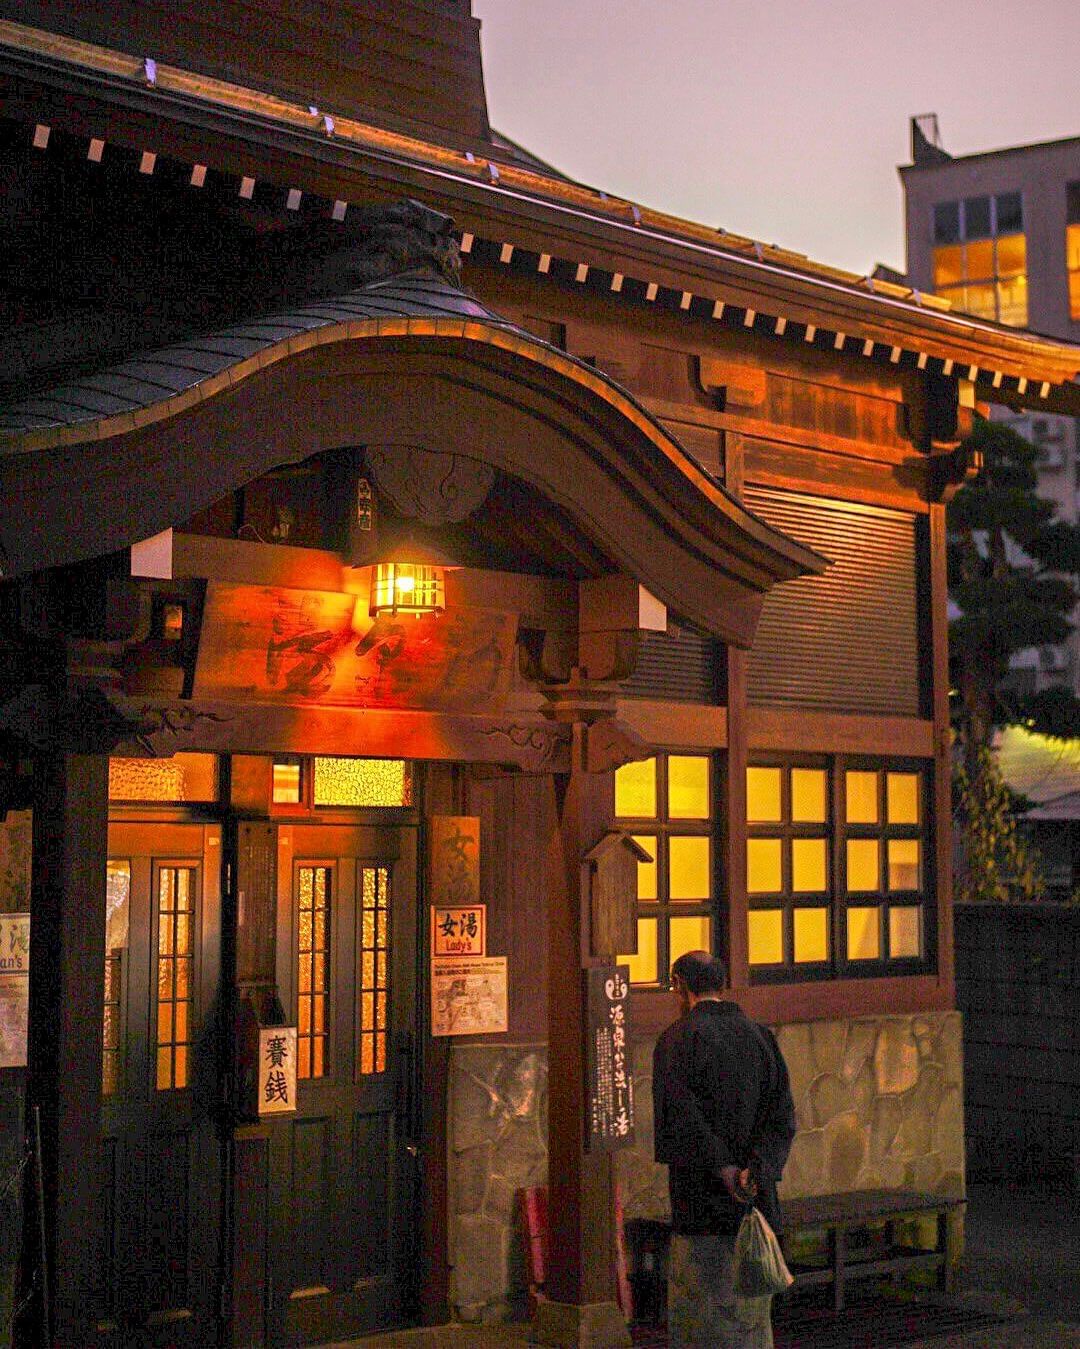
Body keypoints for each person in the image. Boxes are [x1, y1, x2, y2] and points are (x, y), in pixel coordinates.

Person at [652, 950, 796, 1348]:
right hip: (756, 1207)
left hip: (701, 1206)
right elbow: (782, 1118)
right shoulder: (760, 1037)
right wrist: (756, 1170)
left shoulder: (677, 1040)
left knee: (702, 1315)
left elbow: (681, 1121)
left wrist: (723, 1169)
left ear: (680, 985)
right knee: (751, 1320)